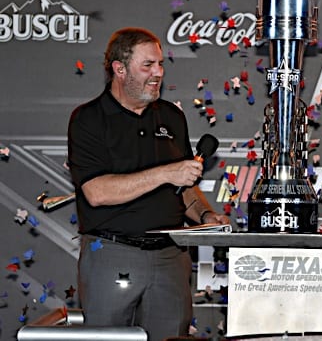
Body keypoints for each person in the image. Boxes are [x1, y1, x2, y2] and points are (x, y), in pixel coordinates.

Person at [67, 27, 230, 341]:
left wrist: (207, 218)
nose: (158, 73)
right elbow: (96, 192)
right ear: (119, 68)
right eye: (148, 65)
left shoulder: (171, 116)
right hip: (112, 253)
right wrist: (165, 173)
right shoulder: (88, 119)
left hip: (171, 256)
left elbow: (185, 185)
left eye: (160, 64)